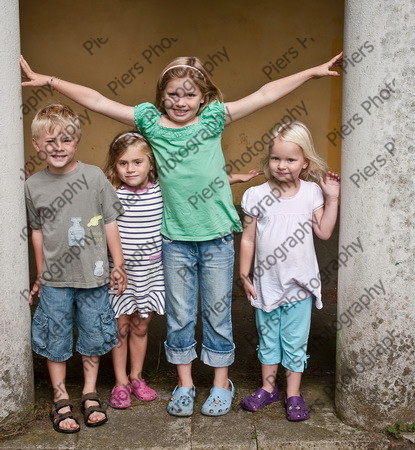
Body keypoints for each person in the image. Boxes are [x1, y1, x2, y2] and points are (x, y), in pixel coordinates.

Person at [20, 51, 342, 417]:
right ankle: (185, 383)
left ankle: (221, 382)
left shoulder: (213, 119)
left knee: (218, 314)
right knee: (180, 315)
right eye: (173, 94)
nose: (180, 101)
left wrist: (313, 72)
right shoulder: (151, 123)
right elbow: (97, 99)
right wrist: (51, 81)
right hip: (174, 240)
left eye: (189, 94)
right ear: (162, 96)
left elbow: (265, 93)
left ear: (203, 97)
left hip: (218, 237)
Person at [25, 103, 127, 432]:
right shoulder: (33, 186)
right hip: (55, 280)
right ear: (36, 144)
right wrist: (40, 273)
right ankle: (60, 396)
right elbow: (37, 233)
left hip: (93, 276)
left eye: (65, 140)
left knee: (93, 334)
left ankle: (89, 391)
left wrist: (118, 263)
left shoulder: (94, 177)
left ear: (77, 142)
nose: (57, 147)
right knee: (56, 337)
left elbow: (110, 222)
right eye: (49, 141)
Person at [239, 121, 340, 421]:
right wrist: (245, 275)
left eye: (290, 159)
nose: (282, 166)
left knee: (295, 342)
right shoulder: (256, 195)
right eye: (276, 158)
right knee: (268, 339)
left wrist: (332, 197)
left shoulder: (311, 193)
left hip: (300, 286)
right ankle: (268, 388)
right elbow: (248, 238)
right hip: (267, 284)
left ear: (305, 162)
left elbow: (323, 231)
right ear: (268, 159)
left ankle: (293, 394)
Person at [103, 131, 164, 408]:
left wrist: (234, 178)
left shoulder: (161, 190)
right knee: (121, 326)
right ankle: (120, 382)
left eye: (138, 162)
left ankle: (137, 376)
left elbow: (196, 183)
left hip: (151, 274)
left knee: (141, 326)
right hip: (121, 274)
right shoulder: (111, 193)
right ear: (114, 166)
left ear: (151, 163)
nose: (130, 169)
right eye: (123, 163)